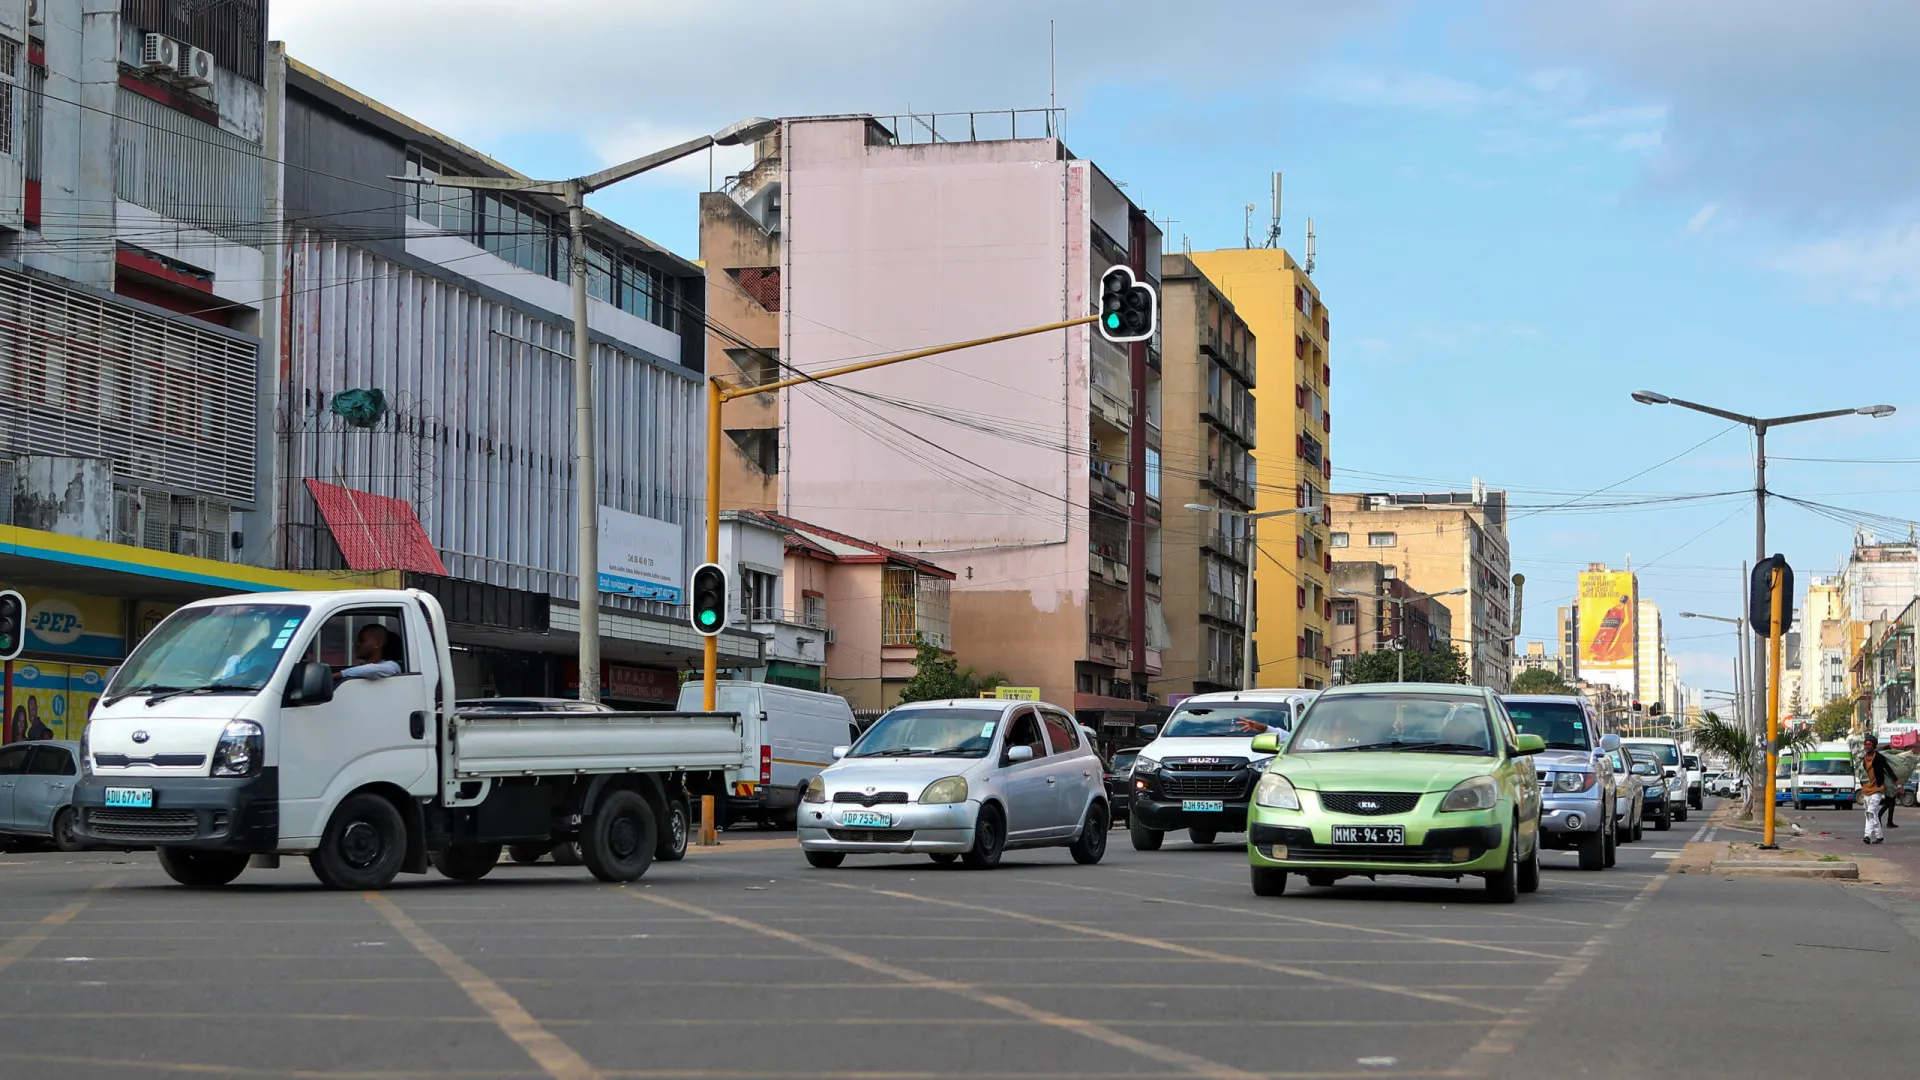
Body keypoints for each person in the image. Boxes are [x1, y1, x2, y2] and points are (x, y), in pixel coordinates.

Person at [1858, 733, 1898, 845]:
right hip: (1867, 789)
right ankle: (1879, 836)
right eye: (1866, 744)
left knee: (1870, 812)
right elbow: (1861, 773)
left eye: (1869, 744)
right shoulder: (1863, 758)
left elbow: (1889, 770)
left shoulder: (1879, 758)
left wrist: (1898, 784)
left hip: (1877, 788)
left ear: (1874, 746)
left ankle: (1867, 835)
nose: (1867, 747)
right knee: (1872, 814)